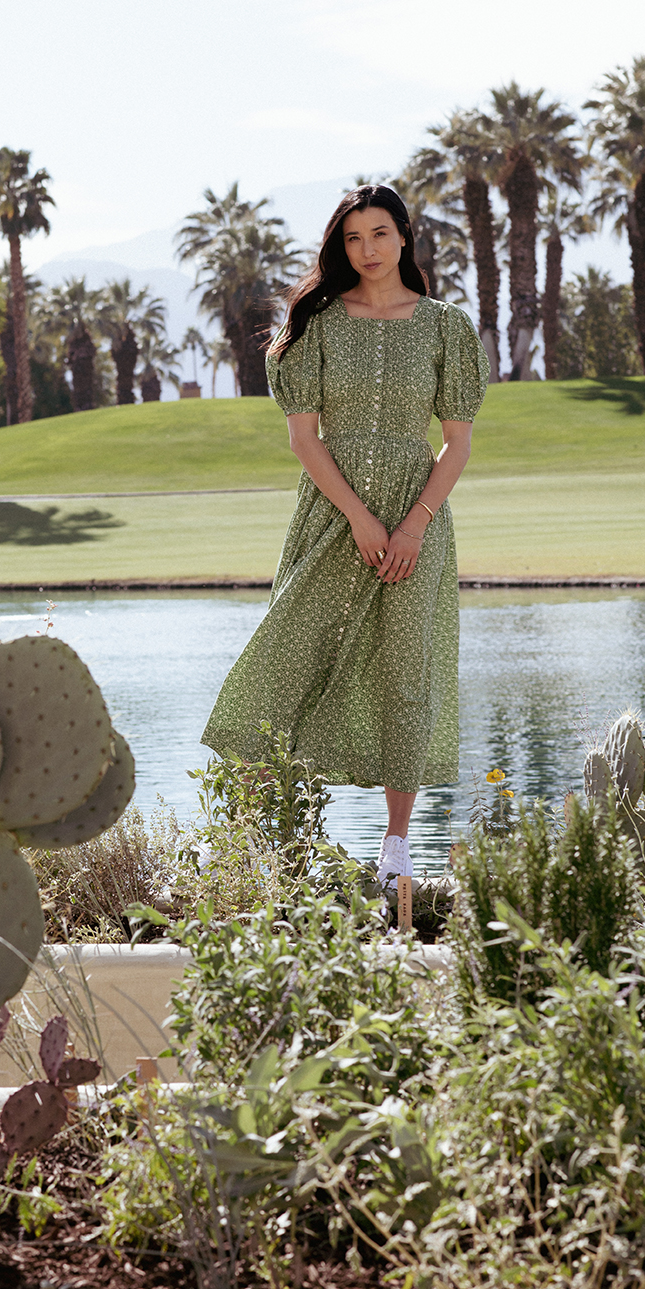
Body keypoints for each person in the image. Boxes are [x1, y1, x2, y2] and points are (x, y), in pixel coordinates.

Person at [200, 184, 489, 884]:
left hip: (417, 518)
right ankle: (253, 838)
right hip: (333, 512)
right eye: (354, 238)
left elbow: (456, 445)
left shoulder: (446, 325)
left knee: (405, 673)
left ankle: (395, 850)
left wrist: (412, 525)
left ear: (404, 238)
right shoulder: (319, 325)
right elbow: (304, 440)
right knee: (288, 657)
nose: (368, 249)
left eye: (381, 234)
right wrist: (360, 517)